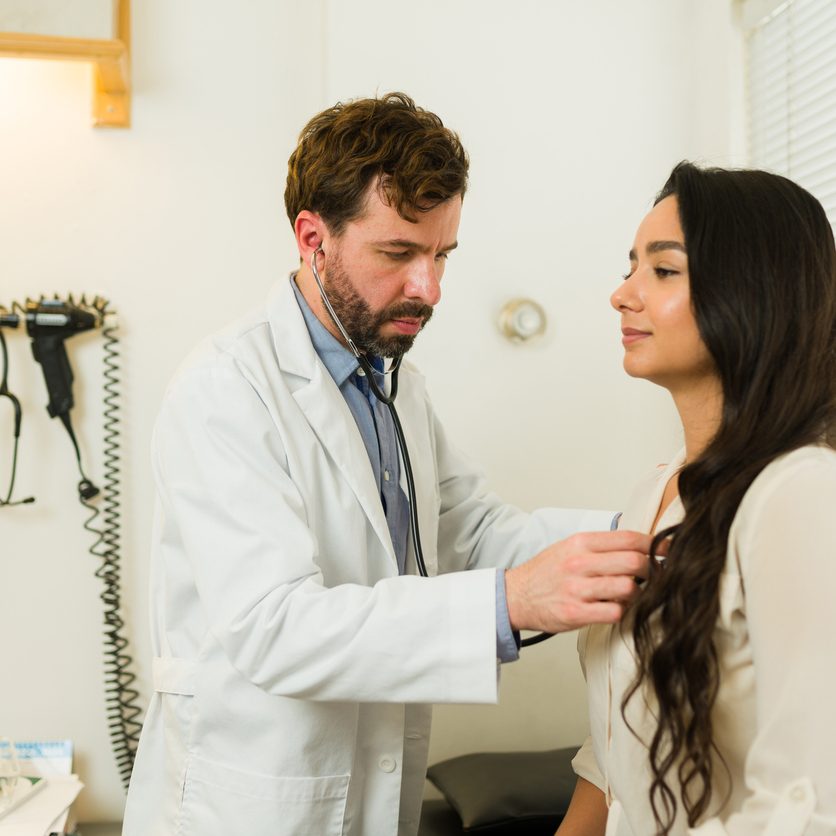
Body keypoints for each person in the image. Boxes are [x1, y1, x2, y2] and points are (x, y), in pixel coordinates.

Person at [122, 92, 651, 836]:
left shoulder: (390, 380)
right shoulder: (225, 388)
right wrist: (509, 603)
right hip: (250, 808)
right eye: (399, 254)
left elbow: (468, 532)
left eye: (442, 256)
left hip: (366, 796)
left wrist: (645, 536)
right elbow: (274, 626)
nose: (428, 289)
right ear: (314, 237)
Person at [558, 162, 836, 836]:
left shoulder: (799, 494)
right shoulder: (654, 492)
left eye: (663, 270)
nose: (622, 295)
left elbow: (808, 802)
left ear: (753, 292)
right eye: (631, 267)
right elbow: (614, 751)